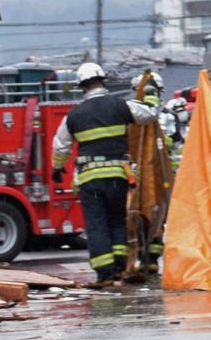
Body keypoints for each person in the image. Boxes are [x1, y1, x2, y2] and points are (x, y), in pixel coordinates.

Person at [52, 62, 160, 286]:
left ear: (82, 86)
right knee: (117, 221)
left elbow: (60, 146)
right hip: (118, 176)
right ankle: (120, 267)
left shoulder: (73, 115)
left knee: (97, 224)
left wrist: (57, 167)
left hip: (90, 179)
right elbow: (149, 115)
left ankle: (104, 272)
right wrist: (151, 95)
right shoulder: (120, 105)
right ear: (103, 80)